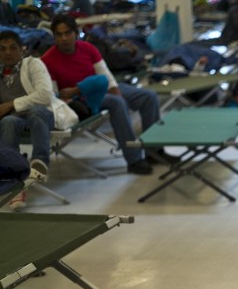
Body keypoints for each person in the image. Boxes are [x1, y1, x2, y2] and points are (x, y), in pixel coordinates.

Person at [41, 14, 165, 175]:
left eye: (67, 33)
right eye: (59, 34)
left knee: (149, 97)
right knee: (117, 103)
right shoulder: (47, 60)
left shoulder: (88, 48)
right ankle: (134, 159)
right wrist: (78, 92)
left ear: (76, 33)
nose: (64, 38)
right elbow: (56, 95)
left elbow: (106, 76)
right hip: (80, 98)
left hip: (101, 86)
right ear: (54, 37)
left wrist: (118, 93)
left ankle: (154, 152)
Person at [0, 30, 54, 209]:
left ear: (21, 49)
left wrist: (10, 104)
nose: (7, 52)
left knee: (36, 112)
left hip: (41, 114)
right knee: (8, 122)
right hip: (14, 119)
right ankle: (15, 180)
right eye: (2, 49)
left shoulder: (33, 64)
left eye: (12, 48)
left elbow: (45, 95)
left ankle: (39, 164)